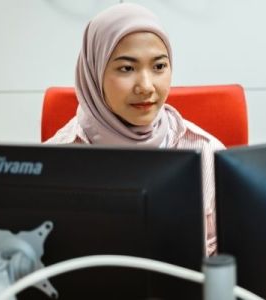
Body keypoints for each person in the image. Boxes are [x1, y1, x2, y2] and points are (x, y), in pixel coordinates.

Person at [45, 3, 225, 256]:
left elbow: (227, 256)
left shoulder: (204, 151)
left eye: (159, 66)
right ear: (94, 73)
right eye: (126, 68)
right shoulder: (55, 158)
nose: (146, 86)